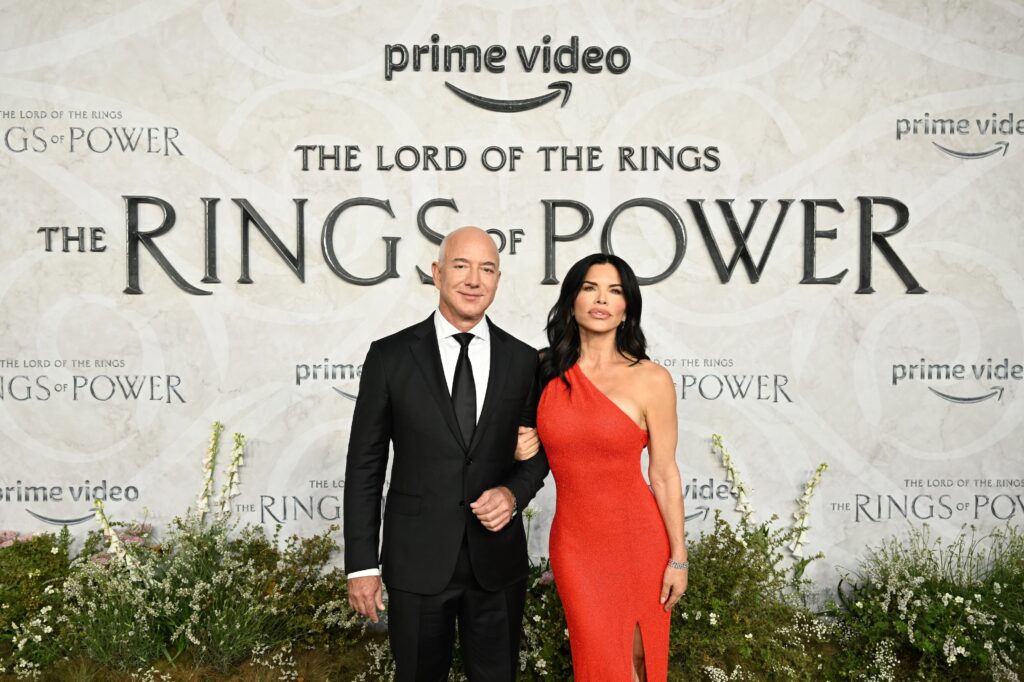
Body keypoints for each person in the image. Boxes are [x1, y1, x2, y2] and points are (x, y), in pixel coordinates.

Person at [343, 226, 550, 682]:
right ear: (437, 274)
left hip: (496, 563)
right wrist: (361, 565)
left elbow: (540, 453)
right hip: (415, 560)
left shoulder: (522, 361)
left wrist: (513, 494)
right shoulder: (389, 357)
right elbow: (365, 466)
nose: (474, 279)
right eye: (461, 266)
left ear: (498, 280)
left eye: (487, 269)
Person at [515, 253, 688, 682]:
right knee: (600, 664)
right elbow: (505, 444)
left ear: (627, 306)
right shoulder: (542, 370)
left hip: (640, 541)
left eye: (614, 291)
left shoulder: (652, 379)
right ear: (572, 298)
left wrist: (679, 558)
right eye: (590, 287)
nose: (601, 299)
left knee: (640, 661)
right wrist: (517, 448)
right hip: (575, 545)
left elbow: (664, 474)